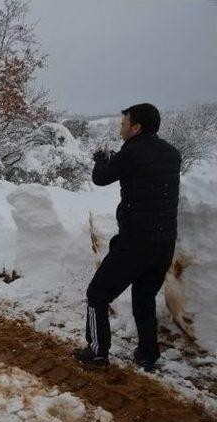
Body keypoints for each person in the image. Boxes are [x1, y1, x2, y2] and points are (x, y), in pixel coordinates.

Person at [73, 103, 181, 372]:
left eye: (123, 124)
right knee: (144, 298)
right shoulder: (172, 154)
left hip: (135, 243)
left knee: (97, 294)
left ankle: (98, 352)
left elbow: (101, 178)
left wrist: (100, 157)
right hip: (164, 243)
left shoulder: (131, 152)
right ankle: (147, 355)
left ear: (136, 127)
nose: (121, 129)